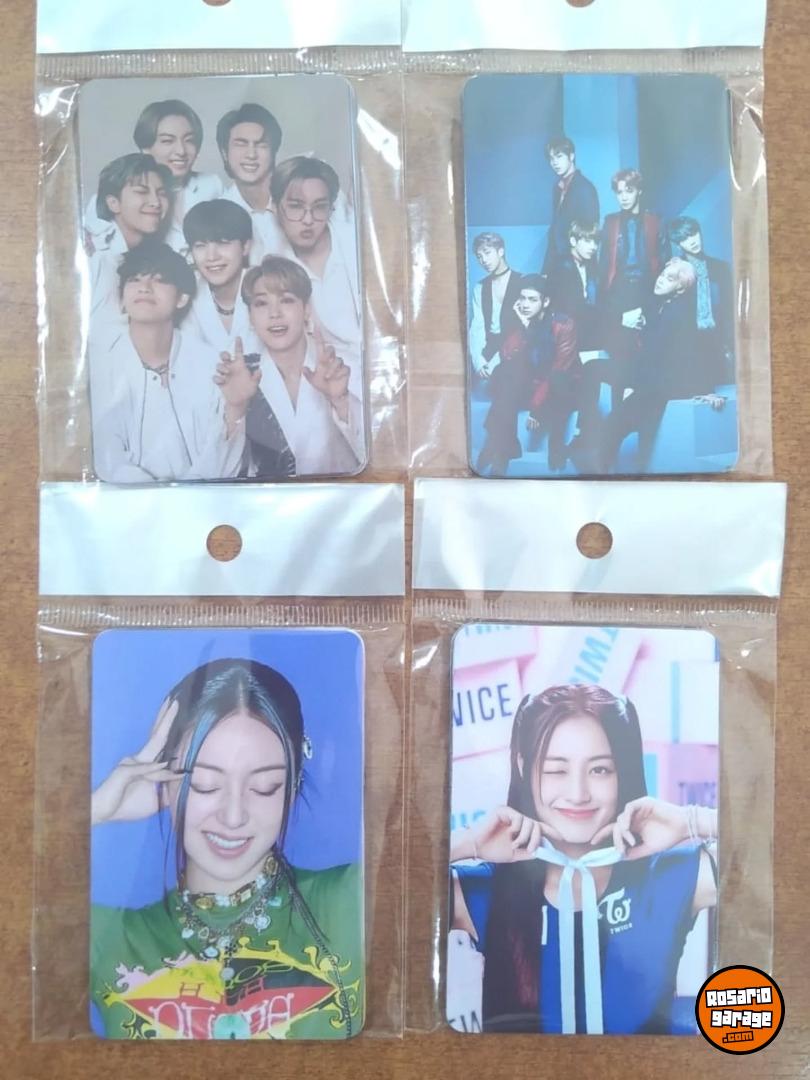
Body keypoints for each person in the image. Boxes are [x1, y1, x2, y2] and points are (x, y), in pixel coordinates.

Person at [90, 658, 364, 1040]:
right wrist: (92, 812)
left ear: (293, 785)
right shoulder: (106, 938)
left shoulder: (352, 903)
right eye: (204, 784)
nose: (233, 816)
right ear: (164, 779)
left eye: (265, 787)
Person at [449, 684, 718, 1035]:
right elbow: (384, 905)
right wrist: (468, 842)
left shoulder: (669, 875)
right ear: (522, 766)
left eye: (600, 770)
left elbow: (778, 864)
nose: (578, 794)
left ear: (623, 771)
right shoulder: (488, 888)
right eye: (556, 770)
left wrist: (691, 821)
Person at [89, 240, 251, 483]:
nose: (144, 288)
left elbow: (223, 460)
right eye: (134, 279)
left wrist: (236, 407)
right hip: (129, 503)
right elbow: (109, 457)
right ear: (122, 297)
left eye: (159, 280)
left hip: (206, 499)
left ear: (182, 298)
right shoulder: (103, 364)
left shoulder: (212, 363)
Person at [218, 256, 365, 477]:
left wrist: (341, 401)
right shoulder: (238, 376)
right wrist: (236, 408)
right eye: (261, 303)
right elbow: (215, 473)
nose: (274, 314)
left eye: (286, 300)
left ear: (306, 309)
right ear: (250, 316)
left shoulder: (343, 366)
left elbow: (380, 457)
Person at [600, 257, 726, 473]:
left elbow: (691, 353)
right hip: (652, 384)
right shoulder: (664, 305)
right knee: (625, 432)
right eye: (662, 275)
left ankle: (608, 475)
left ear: (680, 288)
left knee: (617, 429)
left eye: (669, 279)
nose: (660, 280)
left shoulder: (678, 313)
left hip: (660, 388)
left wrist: (705, 390)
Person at [84, 100, 223, 256]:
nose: (181, 151)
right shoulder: (112, 198)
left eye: (189, 140)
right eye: (167, 141)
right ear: (146, 148)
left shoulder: (211, 186)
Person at [476, 275, 578, 476]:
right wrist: (524, 326)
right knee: (507, 374)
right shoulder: (521, 320)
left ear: (545, 302)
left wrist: (536, 409)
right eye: (522, 298)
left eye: (532, 299)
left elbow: (557, 371)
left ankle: (496, 447)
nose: (525, 304)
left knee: (542, 380)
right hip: (532, 383)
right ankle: (501, 451)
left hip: (558, 388)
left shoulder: (565, 325)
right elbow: (507, 355)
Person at [271, 156, 361, 367]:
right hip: (328, 376)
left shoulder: (357, 241)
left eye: (319, 207)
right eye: (296, 206)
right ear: (275, 208)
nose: (308, 220)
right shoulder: (273, 265)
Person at [598, 170, 667, 410]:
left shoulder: (654, 221)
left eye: (629, 191)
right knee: (620, 349)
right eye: (619, 192)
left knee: (647, 348)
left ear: (639, 191)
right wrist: (607, 298)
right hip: (618, 291)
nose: (624, 197)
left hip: (647, 290)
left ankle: (640, 408)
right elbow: (604, 263)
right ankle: (619, 411)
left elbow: (663, 259)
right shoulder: (610, 222)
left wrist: (655, 299)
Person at [87, 153, 173, 344]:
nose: (156, 202)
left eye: (161, 193)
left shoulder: (144, 255)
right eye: (142, 192)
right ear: (113, 203)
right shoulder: (96, 253)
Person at [183, 199, 260, 355]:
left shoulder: (267, 287)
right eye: (200, 246)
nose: (212, 256)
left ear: (245, 246)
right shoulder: (186, 295)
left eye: (223, 243)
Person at [669, 217, 735, 388]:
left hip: (716, 339)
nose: (692, 241)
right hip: (689, 341)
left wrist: (729, 343)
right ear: (678, 244)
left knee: (723, 390)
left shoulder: (720, 268)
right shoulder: (674, 271)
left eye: (693, 234)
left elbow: (729, 308)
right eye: (684, 238)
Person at [217, 104, 286, 266]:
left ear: (273, 152)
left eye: (261, 145)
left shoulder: (299, 196)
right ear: (225, 153)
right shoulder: (218, 215)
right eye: (241, 144)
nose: (251, 154)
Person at [467, 233, 524, 378]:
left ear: (501, 251)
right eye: (479, 256)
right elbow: (477, 328)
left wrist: (494, 364)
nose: (484, 260)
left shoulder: (522, 282)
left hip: (516, 349)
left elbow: (522, 329)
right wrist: (478, 361)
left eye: (487, 253)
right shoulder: (479, 287)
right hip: (489, 348)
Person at [542, 137, 599, 273]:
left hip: (577, 263)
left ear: (571, 156)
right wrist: (546, 270)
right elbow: (556, 229)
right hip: (558, 262)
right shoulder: (557, 188)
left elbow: (589, 231)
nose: (555, 163)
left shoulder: (585, 188)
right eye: (551, 159)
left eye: (559, 156)